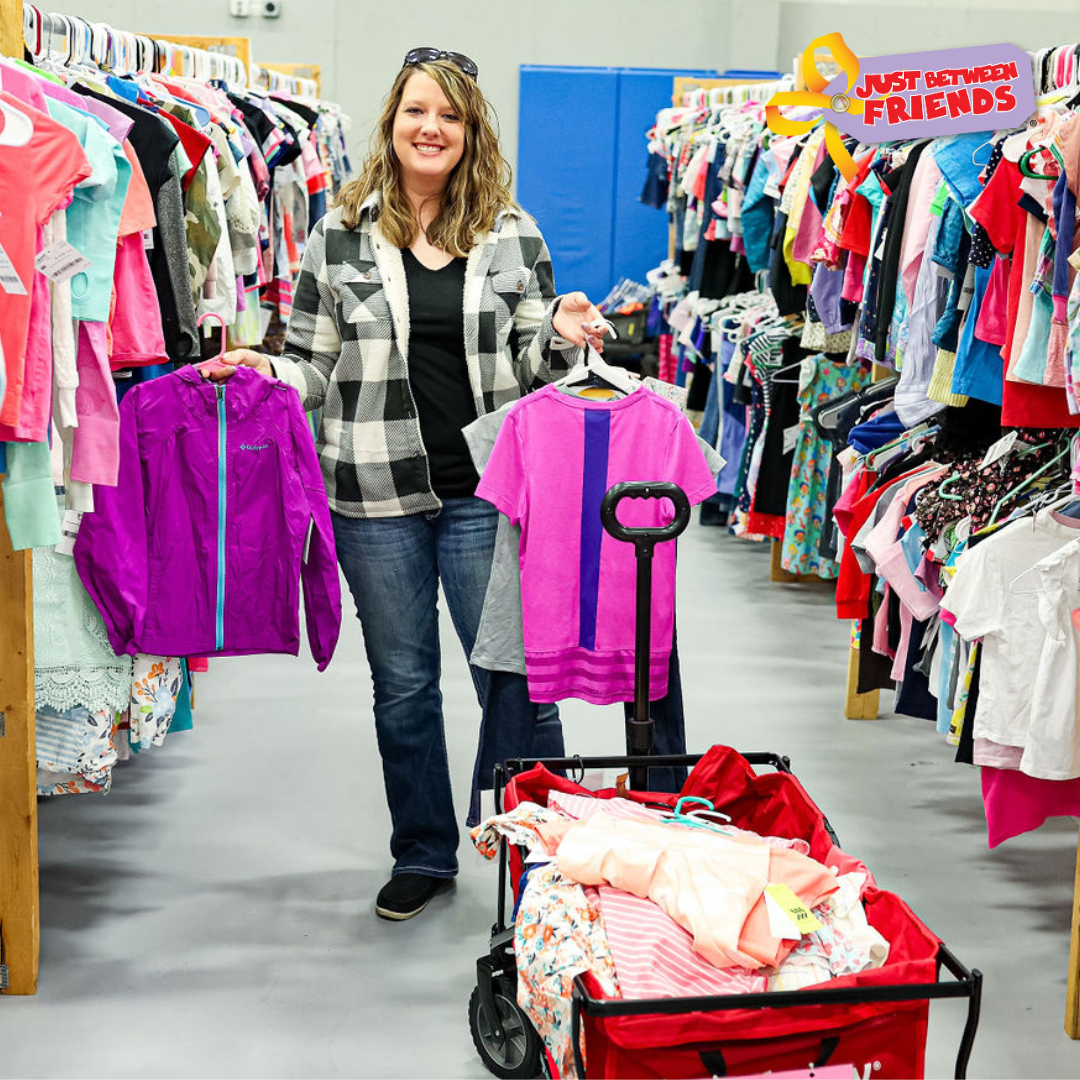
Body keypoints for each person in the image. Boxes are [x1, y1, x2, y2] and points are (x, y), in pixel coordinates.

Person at [218, 47, 609, 920]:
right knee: (403, 686)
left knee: (513, 678)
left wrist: (567, 333)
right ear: (392, 125)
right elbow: (313, 365)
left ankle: (534, 855)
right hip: (371, 496)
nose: (431, 129)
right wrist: (266, 373)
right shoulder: (340, 230)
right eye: (415, 113)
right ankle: (425, 855)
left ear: (472, 134)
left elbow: (533, 360)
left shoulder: (512, 231)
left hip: (486, 492)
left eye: (451, 116)